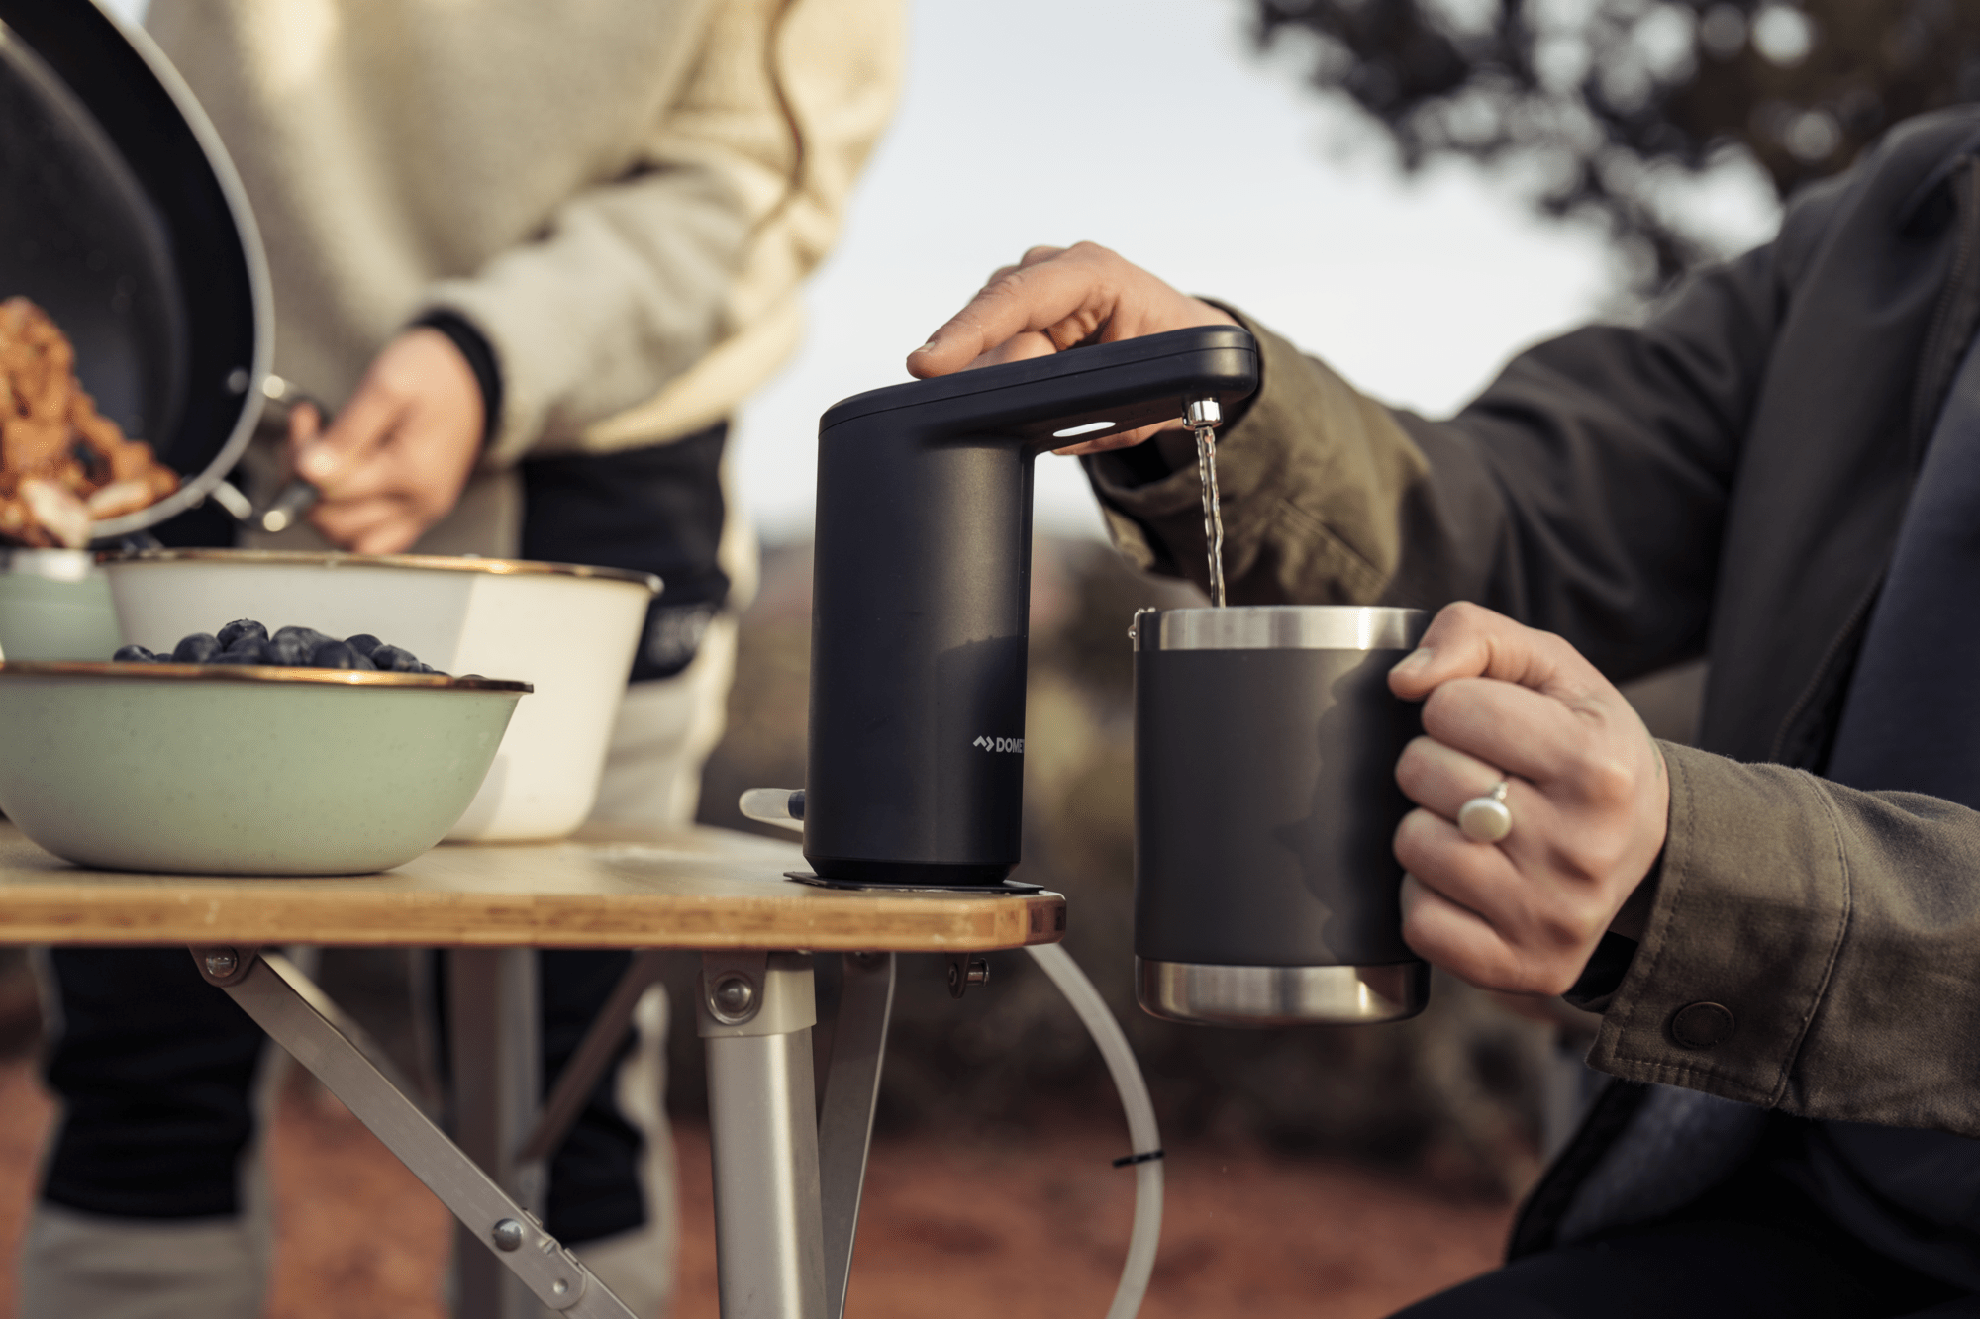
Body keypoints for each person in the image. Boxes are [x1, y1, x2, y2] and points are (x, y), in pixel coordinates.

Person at [908, 106, 1980, 1316]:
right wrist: (1220, 397)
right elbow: (1527, 513)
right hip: (1794, 1209)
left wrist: (1706, 876)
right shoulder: (1914, 214)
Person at [20, 3, 902, 1317]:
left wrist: (497, 357)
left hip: (591, 440)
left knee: (563, 1067)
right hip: (170, 398)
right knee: (146, 1054)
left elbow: (750, 170)